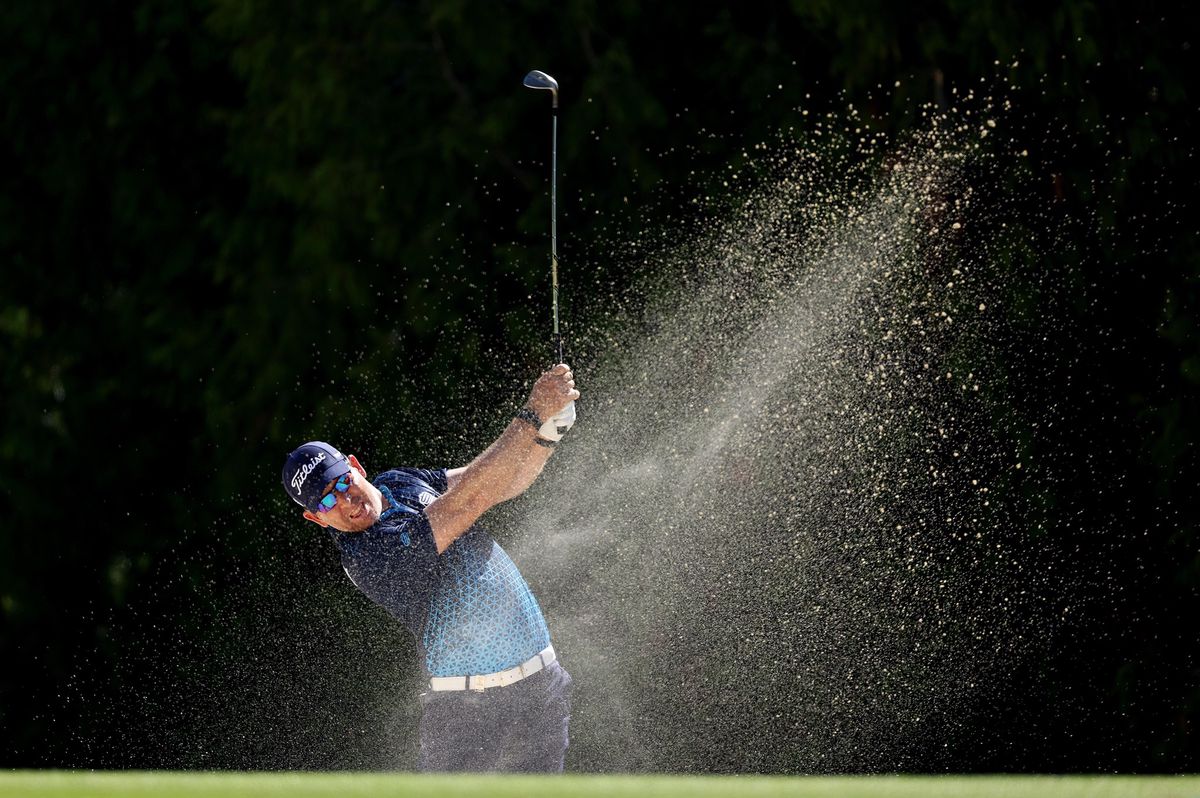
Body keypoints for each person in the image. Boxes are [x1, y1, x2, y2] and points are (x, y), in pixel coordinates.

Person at [281, 363, 580, 772]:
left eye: (343, 481)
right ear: (316, 518)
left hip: (540, 689)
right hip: (467, 712)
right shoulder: (367, 555)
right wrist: (532, 414)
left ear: (356, 466)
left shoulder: (399, 481)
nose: (346, 501)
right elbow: (467, 502)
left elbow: (497, 483)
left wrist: (547, 435)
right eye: (328, 501)